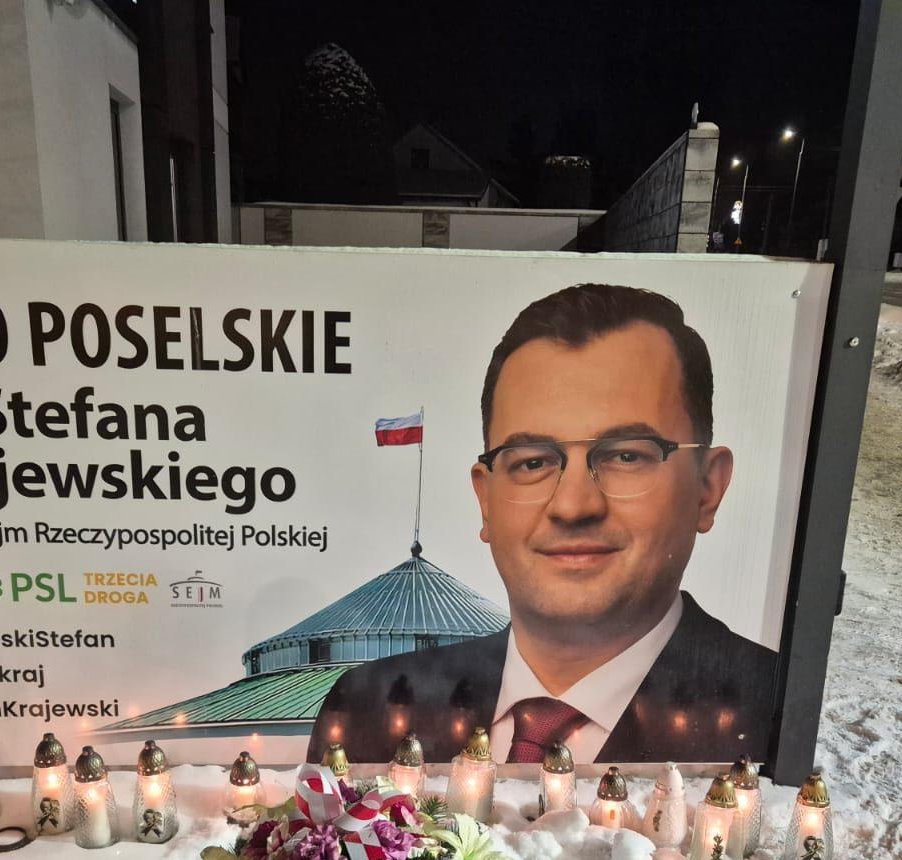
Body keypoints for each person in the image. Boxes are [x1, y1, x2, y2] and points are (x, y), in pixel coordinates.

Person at [307, 283, 778, 766]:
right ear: (485, 500)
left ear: (708, 487)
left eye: (625, 455)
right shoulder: (367, 709)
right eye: (532, 462)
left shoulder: (777, 715)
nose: (573, 506)